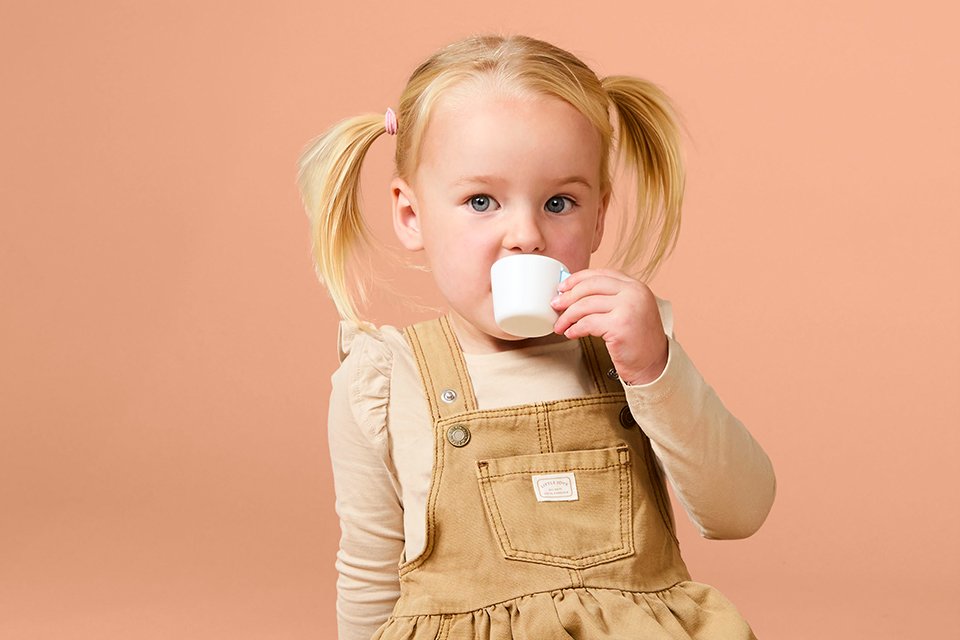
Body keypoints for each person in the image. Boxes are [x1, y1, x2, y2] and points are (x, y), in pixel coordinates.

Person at [297, 33, 776, 640]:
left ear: (599, 214)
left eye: (558, 202)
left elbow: (741, 510)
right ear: (411, 216)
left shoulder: (629, 353)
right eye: (480, 201)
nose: (525, 234)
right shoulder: (385, 381)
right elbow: (368, 577)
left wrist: (656, 369)